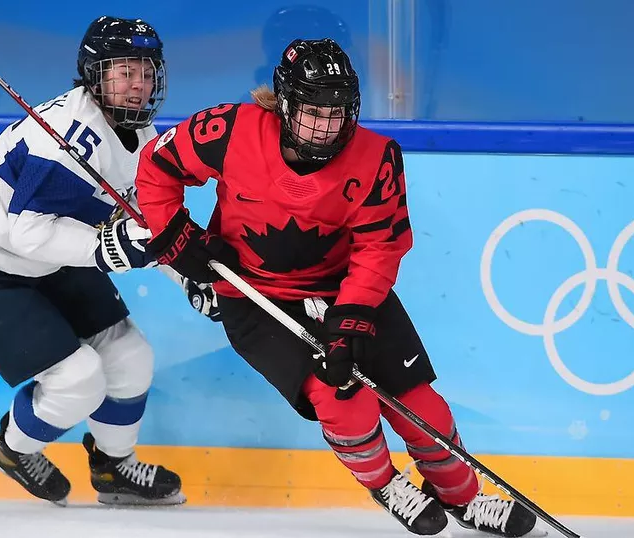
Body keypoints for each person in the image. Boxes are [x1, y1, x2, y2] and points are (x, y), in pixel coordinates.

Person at [134, 38, 541, 537]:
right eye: (313, 112)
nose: (326, 127)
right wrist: (176, 236)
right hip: (256, 298)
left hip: (344, 289)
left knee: (421, 405)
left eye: (337, 112)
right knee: (342, 399)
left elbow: (379, 247)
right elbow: (157, 166)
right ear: (285, 105)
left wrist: (350, 323)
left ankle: (464, 498)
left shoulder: (376, 157)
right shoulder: (230, 129)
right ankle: (387, 486)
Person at [0, 16, 184, 506]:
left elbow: (146, 222)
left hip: (51, 253)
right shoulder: (68, 141)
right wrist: (104, 248)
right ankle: (13, 450)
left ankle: (113, 467)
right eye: (124, 72)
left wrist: (187, 275)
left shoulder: (139, 133)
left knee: (130, 356)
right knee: (78, 380)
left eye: (145, 71)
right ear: (96, 75)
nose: (138, 84)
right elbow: (27, 233)